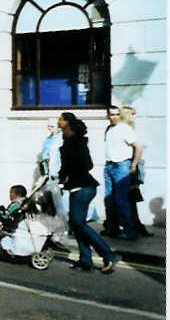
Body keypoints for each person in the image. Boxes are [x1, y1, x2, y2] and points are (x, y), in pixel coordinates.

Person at [59, 112, 119, 273]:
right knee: (76, 223)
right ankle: (85, 260)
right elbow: (86, 165)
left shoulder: (71, 145)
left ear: (70, 129)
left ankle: (108, 254)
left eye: (63, 125)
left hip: (82, 188)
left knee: (77, 223)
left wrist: (65, 178)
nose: (61, 128)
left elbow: (82, 166)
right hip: (82, 187)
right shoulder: (77, 143)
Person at [101, 104, 143, 240]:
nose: (114, 117)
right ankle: (112, 228)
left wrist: (133, 165)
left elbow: (138, 147)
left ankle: (129, 231)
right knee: (109, 199)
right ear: (107, 116)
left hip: (121, 166)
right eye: (111, 114)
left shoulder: (125, 129)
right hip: (109, 166)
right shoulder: (108, 129)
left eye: (117, 114)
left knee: (121, 200)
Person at [121, 106, 152, 237]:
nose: (134, 118)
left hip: (133, 167)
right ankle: (134, 226)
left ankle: (136, 225)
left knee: (130, 198)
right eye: (132, 115)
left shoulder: (130, 130)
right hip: (129, 167)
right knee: (128, 198)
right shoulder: (125, 130)